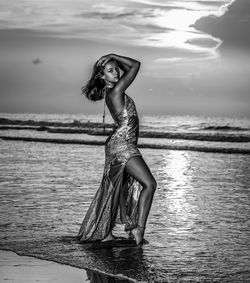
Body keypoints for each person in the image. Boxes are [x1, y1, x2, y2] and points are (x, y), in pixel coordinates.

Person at [77, 54, 157, 245]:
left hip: (120, 145)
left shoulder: (113, 92)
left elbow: (130, 68)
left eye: (116, 69)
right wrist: (112, 55)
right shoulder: (116, 91)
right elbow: (136, 65)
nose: (116, 72)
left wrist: (112, 60)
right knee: (149, 184)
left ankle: (106, 233)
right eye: (110, 70)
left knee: (116, 189)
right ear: (102, 76)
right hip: (123, 146)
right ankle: (138, 229)